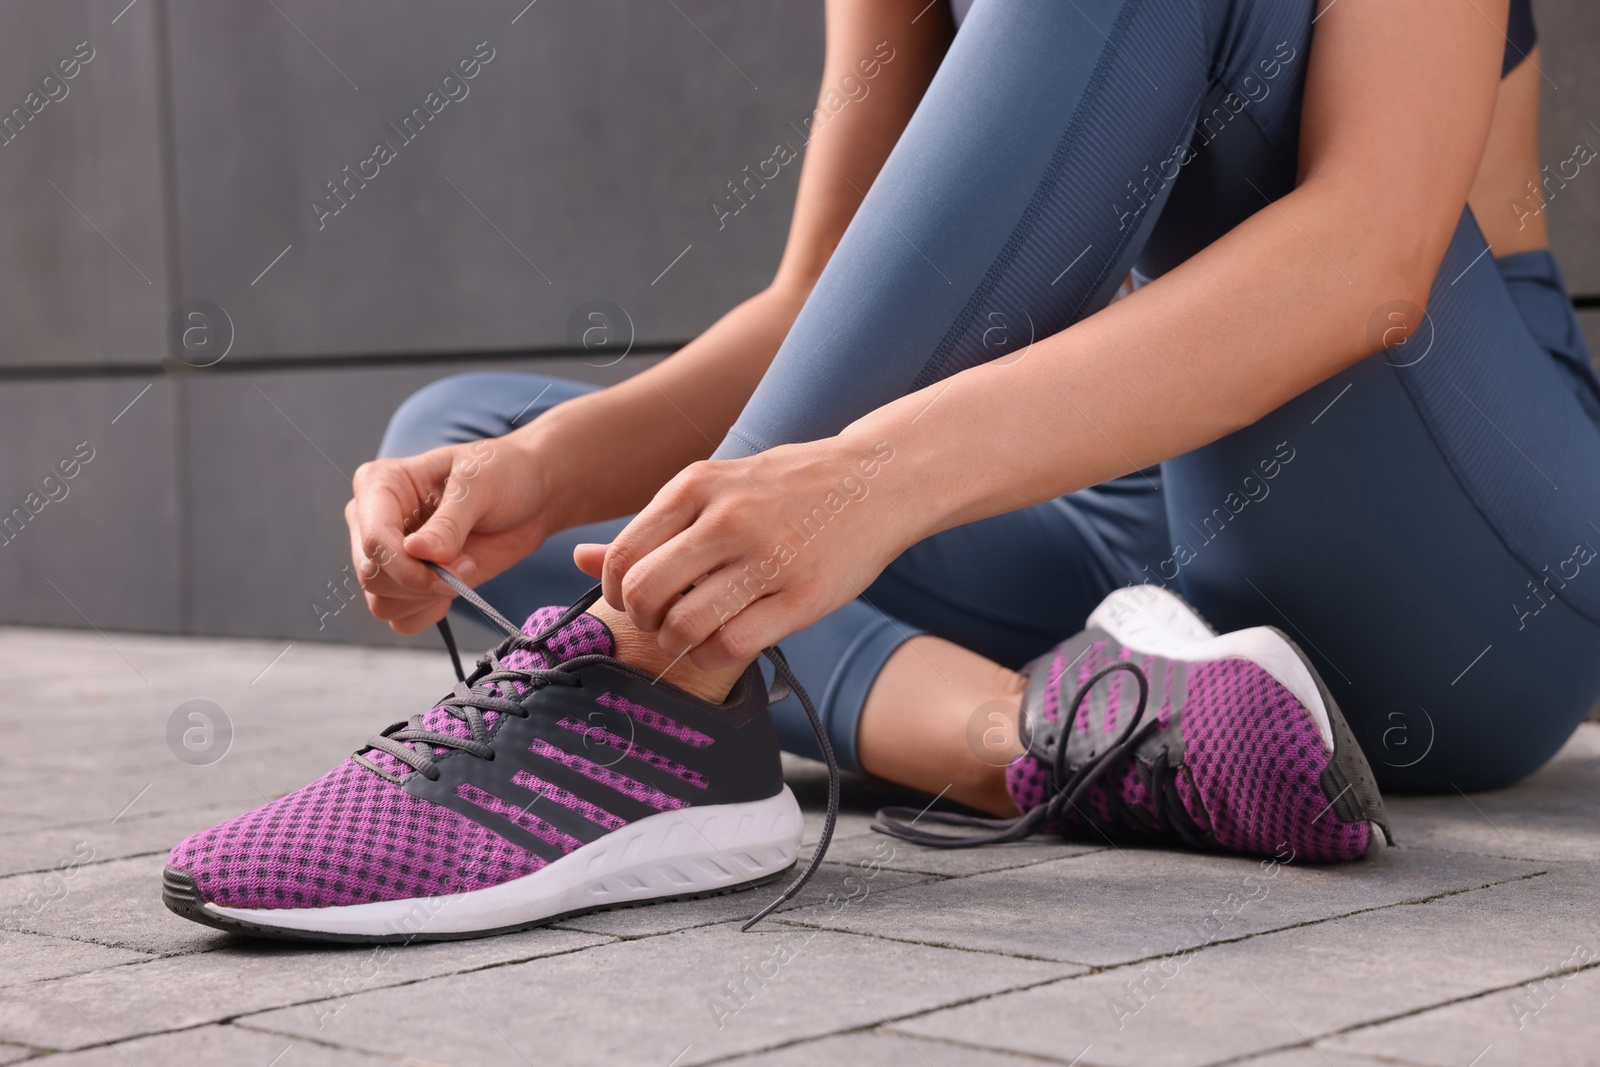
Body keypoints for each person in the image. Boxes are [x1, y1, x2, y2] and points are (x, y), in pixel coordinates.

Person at [163, 0, 1599, 942]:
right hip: (1102, 541)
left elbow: (1373, 260)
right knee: (460, 439)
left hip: (1457, 563)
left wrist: (865, 486)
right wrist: (545, 469)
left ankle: (661, 685)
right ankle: (1042, 738)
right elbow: (833, 308)